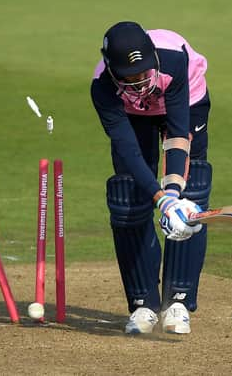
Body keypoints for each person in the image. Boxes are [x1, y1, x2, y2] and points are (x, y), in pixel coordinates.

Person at [90, 21, 213, 335]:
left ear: (153, 60)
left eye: (143, 73)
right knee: (127, 197)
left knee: (192, 194)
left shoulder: (173, 60)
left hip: (187, 100)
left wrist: (173, 193)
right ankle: (143, 304)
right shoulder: (102, 87)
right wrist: (161, 199)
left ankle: (178, 303)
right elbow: (128, 150)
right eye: (129, 78)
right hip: (134, 116)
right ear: (114, 72)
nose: (139, 82)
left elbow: (177, 134)